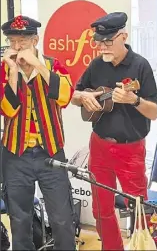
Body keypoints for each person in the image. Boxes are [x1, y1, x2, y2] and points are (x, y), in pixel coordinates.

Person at [71, 12, 157, 250]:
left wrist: (134, 100)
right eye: (99, 42)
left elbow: (154, 112)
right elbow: (75, 95)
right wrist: (84, 97)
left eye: (108, 41)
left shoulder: (141, 65)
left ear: (123, 36)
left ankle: (154, 247)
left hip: (130, 149)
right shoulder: (96, 65)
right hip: (99, 146)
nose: (101, 47)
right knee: (101, 209)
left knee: (141, 208)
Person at [0, 15, 76, 250]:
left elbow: (65, 96)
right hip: (15, 156)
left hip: (51, 155)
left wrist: (38, 66)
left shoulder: (54, 66)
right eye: (13, 41)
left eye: (23, 41)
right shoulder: (4, 70)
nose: (17, 47)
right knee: (19, 220)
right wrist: (13, 71)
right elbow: (8, 109)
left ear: (35, 40)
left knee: (62, 219)